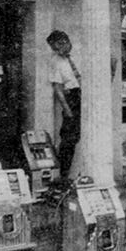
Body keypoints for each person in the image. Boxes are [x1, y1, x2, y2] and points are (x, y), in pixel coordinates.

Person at [46, 30, 81, 180]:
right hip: (72, 97)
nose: (58, 50)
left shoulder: (81, 52)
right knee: (68, 138)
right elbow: (57, 88)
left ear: (67, 41)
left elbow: (112, 60)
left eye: (60, 45)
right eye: (54, 48)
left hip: (89, 95)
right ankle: (63, 175)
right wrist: (67, 109)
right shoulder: (55, 61)